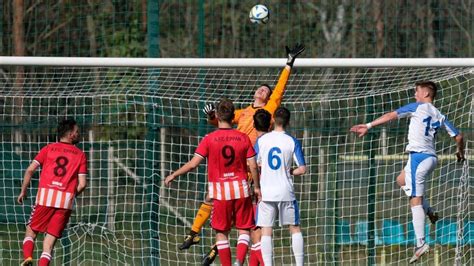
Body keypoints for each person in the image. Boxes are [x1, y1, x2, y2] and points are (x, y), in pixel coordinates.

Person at [179, 43, 305, 253]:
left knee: (233, 208)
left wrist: (288, 64)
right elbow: (221, 121)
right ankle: (199, 235)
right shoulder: (243, 112)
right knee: (216, 198)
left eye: (266, 90)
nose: (262, 90)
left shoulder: (269, 109)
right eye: (261, 88)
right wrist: (211, 115)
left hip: (250, 165)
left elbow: (280, 89)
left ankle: (211, 243)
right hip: (236, 163)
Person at [350, 81, 465, 264]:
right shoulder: (439, 115)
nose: (414, 95)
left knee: (415, 199)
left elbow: (391, 115)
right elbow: (458, 136)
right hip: (430, 158)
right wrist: (460, 152)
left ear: (426, 94)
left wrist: (369, 125)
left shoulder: (418, 107)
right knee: (401, 180)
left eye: (417, 92)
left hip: (419, 158)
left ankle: (420, 243)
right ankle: (429, 210)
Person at [165, 98, 260, 266]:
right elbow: (252, 165)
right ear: (233, 117)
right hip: (242, 189)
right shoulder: (243, 137)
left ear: (216, 115)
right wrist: (257, 187)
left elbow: (193, 164)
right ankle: (239, 261)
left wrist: (174, 174)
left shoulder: (209, 138)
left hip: (220, 192)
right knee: (244, 229)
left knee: (221, 233)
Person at [201, 109, 272, 266]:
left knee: (253, 232)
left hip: (252, 188)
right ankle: (240, 261)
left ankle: (239, 261)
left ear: (253, 124)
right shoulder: (275, 141)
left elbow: (252, 164)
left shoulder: (256, 143)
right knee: (257, 233)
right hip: (272, 189)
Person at [17, 119, 88, 266]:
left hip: (45, 198)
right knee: (48, 245)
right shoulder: (80, 155)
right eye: (76, 131)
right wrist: (69, 196)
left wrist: (23, 191)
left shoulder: (48, 149)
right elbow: (82, 184)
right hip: (65, 202)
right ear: (70, 134)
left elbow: (30, 170)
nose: (78, 133)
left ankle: (28, 257)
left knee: (30, 231)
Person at [254, 106, 307, 266]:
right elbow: (303, 169)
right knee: (294, 228)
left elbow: (254, 163)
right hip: (286, 192)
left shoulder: (262, 140)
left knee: (266, 230)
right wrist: (290, 171)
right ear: (288, 122)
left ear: (272, 121)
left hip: (266, 192)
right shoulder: (292, 141)